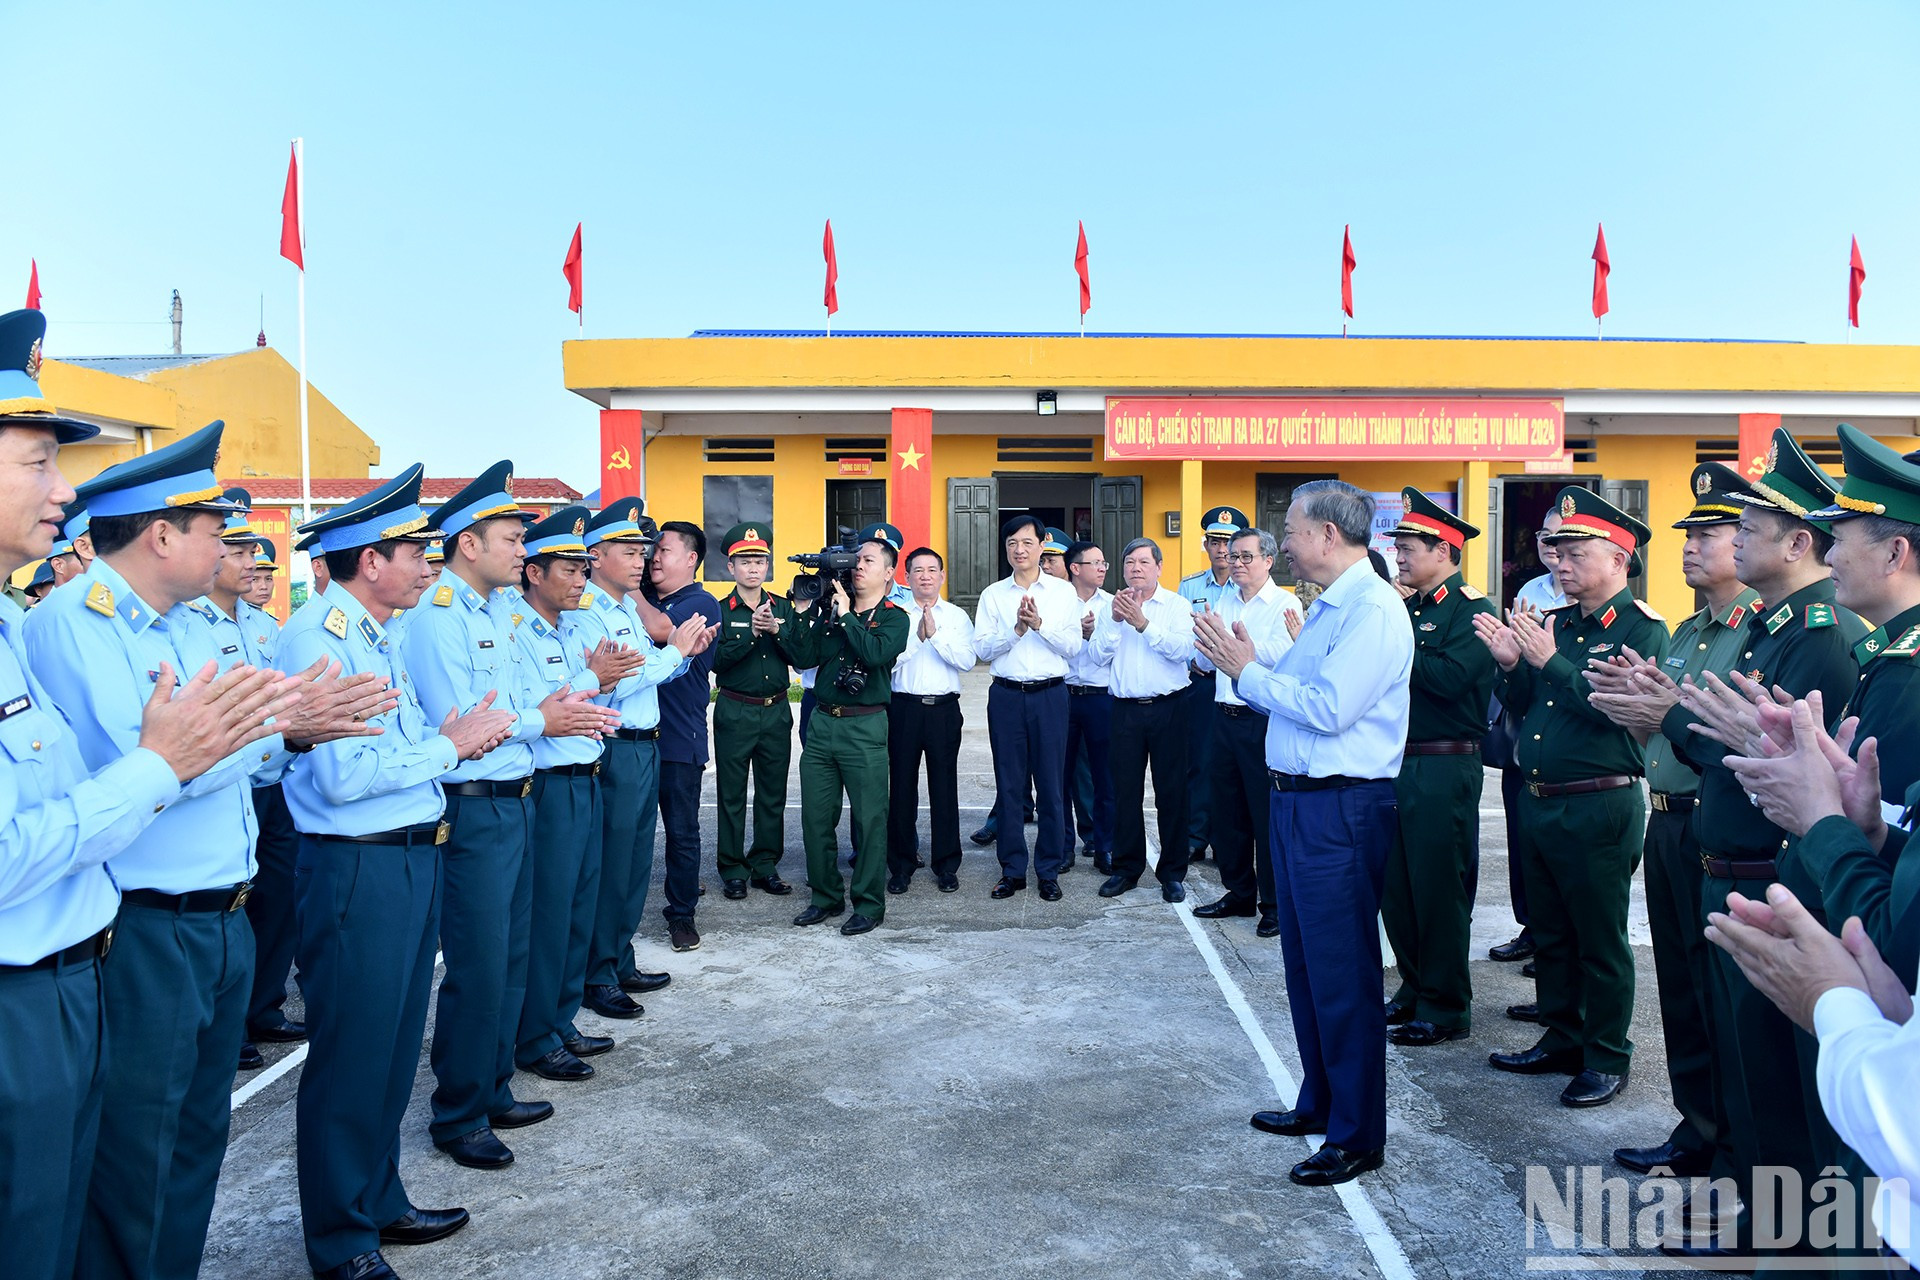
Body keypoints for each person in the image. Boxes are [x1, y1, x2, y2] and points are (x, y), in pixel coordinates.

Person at [0, 309, 288, 1280]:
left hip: (115, 949)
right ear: (163, 532)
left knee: (167, 1171)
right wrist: (166, 763)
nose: (64, 487)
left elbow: (222, 748)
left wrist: (213, 745)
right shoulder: (62, 624)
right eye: (38, 460)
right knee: (103, 1200)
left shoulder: (36, 623)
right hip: (95, 952)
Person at [277, 464, 517, 1280]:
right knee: (351, 1054)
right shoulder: (318, 639)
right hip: (356, 869)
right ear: (367, 560)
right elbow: (346, 778)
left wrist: (433, 751)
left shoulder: (373, 635)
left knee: (387, 1051)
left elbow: (395, 757)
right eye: (411, 550)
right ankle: (341, 1239)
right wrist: (451, 748)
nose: (426, 562)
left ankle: (377, 1198)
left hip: (409, 857)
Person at [1193, 480, 1411, 1187]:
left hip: (1339, 808)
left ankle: (1356, 1134)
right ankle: (1319, 1100)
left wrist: (1247, 672)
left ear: (1326, 534)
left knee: (1343, 974)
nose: (1280, 543)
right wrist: (1257, 662)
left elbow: (1327, 708)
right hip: (1300, 804)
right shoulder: (1329, 609)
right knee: (1307, 967)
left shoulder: (1372, 610)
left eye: (1289, 529)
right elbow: (1300, 683)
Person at [405, 461, 614, 1170]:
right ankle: (459, 1111)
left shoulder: (493, 612)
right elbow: (464, 721)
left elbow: (530, 703)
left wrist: (544, 715)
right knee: (477, 966)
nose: (522, 550)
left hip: (516, 798)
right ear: (469, 543)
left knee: (511, 957)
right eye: (511, 537)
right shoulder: (437, 619)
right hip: (473, 808)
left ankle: (492, 1085)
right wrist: (544, 719)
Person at [1581, 464, 1763, 1185]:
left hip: (1719, 824)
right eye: (1688, 534)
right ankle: (1697, 1126)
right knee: (1683, 988)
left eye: (1711, 533)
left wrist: (1665, 715)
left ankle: (1731, 1147)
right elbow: (1666, 715)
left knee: (1723, 995)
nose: (1691, 546)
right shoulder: (1689, 628)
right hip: (1668, 822)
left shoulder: (1754, 629)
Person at [1474, 486, 1670, 1110]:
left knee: (1598, 937)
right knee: (1550, 929)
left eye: (1575, 552)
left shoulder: (1643, 629)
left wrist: (1551, 662)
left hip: (1598, 801)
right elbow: (1531, 709)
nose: (1559, 563)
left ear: (1619, 557)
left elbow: (1622, 714)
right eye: (1555, 551)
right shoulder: (1558, 626)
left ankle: (1607, 1055)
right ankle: (1561, 1035)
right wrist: (1512, 666)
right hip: (1540, 797)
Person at [563, 501, 702, 1019]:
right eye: (629, 550)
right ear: (596, 557)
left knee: (635, 862)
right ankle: (597, 974)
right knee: (612, 864)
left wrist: (678, 655)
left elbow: (648, 672)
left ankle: (618, 959)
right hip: (616, 746)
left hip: (646, 743)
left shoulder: (624, 607)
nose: (641, 559)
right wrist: (675, 652)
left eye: (644, 550)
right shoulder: (590, 612)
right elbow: (616, 681)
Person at [509, 506, 625, 1084]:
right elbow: (541, 702)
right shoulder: (515, 630)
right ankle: (535, 1035)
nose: (581, 579)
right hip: (550, 787)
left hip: (586, 777)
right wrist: (593, 680)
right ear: (534, 572)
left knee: (578, 907)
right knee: (549, 916)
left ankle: (560, 1019)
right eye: (570, 568)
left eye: (585, 568)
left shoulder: (571, 627)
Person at [1379, 489, 1497, 1047]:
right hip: (1397, 762)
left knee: (1438, 889)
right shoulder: (1410, 608)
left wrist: (1397, 651)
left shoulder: (1473, 609)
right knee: (1398, 889)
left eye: (1408, 548)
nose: (1399, 557)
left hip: (1444, 764)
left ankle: (1446, 1006)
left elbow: (1452, 679)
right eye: (1398, 548)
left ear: (1443, 548)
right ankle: (1414, 986)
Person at [198, 492, 310, 1074]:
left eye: (251, 550)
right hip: (229, 782)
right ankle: (235, 1021)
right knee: (237, 908)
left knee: (276, 904)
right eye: (235, 548)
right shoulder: (193, 624)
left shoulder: (262, 625)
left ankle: (265, 1007)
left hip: (273, 784)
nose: (247, 561)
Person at [783, 536, 909, 935]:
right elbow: (802, 658)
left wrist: (847, 615)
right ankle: (825, 897)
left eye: (868, 560)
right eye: (855, 560)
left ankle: (869, 905)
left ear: (889, 572)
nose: (857, 566)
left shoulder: (895, 617)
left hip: (865, 725)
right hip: (822, 723)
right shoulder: (828, 611)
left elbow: (873, 655)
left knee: (871, 820)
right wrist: (805, 611)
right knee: (816, 819)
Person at [1192, 525, 1299, 935]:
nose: (1236, 563)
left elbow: (1285, 655)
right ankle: (1238, 893)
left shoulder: (1283, 605)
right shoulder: (1224, 599)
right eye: (1233, 556)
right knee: (1226, 811)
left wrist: (1238, 651)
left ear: (1269, 561)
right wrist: (1209, 649)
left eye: (1246, 556)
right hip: (1222, 714)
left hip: (1261, 719)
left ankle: (1272, 904)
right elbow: (1209, 653)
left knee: (1263, 814)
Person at [972, 514, 1083, 898]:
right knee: (1010, 785)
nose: (1020, 550)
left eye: (1027, 543)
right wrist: (1016, 631)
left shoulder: (1062, 593)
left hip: (1050, 696)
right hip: (1005, 696)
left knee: (1052, 785)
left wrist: (1040, 625)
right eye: (1012, 544)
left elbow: (1073, 647)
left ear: (1042, 545)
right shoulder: (993, 595)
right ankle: (1012, 870)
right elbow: (982, 650)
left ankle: (1048, 869)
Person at [1091, 537, 1196, 903]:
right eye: (1130, 563)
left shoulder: (1177, 605)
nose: (1136, 569)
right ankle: (1126, 868)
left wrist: (1143, 624)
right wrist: (1117, 622)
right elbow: (1097, 656)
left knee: (1172, 793)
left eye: (1143, 563)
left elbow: (1183, 651)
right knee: (1125, 792)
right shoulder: (1111, 607)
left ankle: (1172, 873)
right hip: (1124, 711)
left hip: (1169, 707)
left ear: (1159, 568)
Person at [1487, 507, 1568, 965]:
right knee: (1521, 840)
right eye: (1544, 534)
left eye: (1561, 538)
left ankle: (1553, 940)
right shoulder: (1530, 591)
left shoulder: (1590, 599)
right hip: (1525, 729)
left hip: (1562, 740)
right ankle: (1529, 927)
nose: (1551, 545)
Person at [641, 520, 723, 952]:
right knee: (632, 833)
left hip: (677, 737)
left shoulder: (700, 603)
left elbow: (661, 633)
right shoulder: (643, 599)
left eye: (662, 550)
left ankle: (682, 913)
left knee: (681, 831)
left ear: (691, 559)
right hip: (633, 739)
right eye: (647, 550)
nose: (652, 557)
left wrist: (627, 582)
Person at [711, 523, 797, 899]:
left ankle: (765, 864)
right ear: (731, 567)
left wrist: (778, 631)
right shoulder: (718, 610)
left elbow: (801, 656)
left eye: (760, 561)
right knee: (731, 793)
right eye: (744, 561)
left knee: (771, 793)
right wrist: (753, 633)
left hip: (776, 709)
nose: (753, 569)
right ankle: (732, 867)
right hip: (735, 709)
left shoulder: (782, 607)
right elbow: (716, 662)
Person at [887, 546, 976, 894]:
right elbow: (887, 663)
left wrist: (935, 636)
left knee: (944, 788)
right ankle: (901, 865)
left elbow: (967, 661)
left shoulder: (956, 616)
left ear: (942, 576)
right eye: (917, 570)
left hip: (942, 710)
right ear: (906, 577)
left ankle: (947, 864)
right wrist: (916, 638)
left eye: (931, 570)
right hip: (902, 709)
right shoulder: (894, 615)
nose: (925, 576)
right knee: (901, 789)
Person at [1180, 505, 1244, 862]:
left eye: (1228, 543)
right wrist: (1190, 661)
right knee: (1200, 761)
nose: (1222, 550)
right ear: (1205, 544)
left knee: (1233, 763)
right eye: (1216, 542)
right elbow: (1178, 630)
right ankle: (1196, 834)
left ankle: (1227, 840)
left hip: (1238, 684)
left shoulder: (1246, 588)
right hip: (1203, 684)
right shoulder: (1190, 586)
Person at [1063, 540, 1116, 875]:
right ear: (1075, 568)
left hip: (1101, 697)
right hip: (1063, 695)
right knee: (1060, 777)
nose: (1102, 568)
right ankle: (1063, 846)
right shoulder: (1056, 601)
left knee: (1105, 777)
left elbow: (1113, 650)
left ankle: (1104, 845)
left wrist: (1091, 636)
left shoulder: (1113, 605)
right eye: (1095, 562)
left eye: (1104, 563)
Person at [246, 542, 280, 610]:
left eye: (268, 579)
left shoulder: (267, 619)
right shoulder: (231, 618)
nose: (264, 586)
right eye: (254, 579)